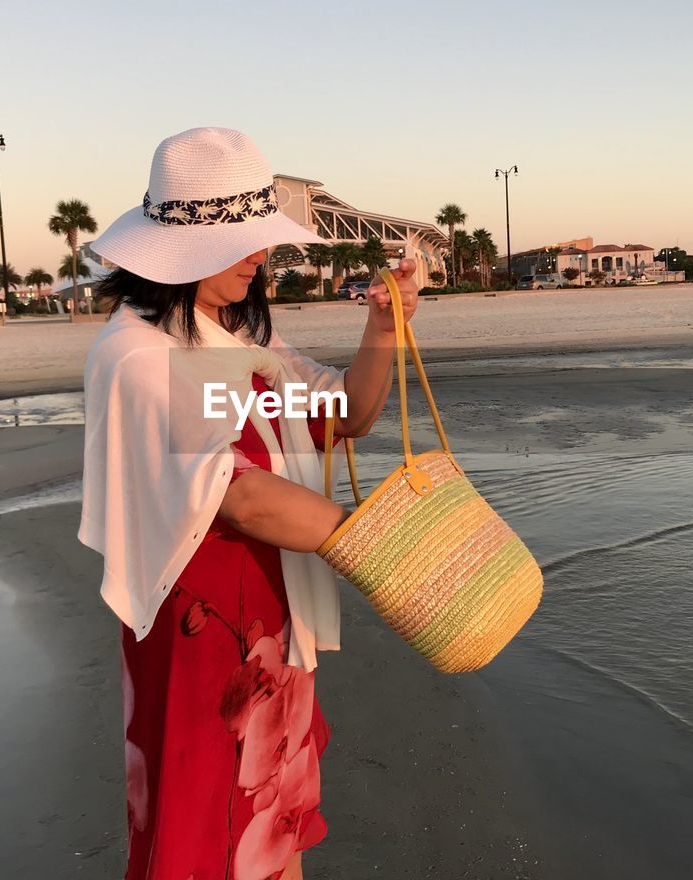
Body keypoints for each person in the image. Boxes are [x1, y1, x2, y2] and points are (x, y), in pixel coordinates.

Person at [78, 127, 418, 880]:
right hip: (203, 645)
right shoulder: (137, 355)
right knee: (208, 845)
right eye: (243, 238)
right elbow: (241, 497)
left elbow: (346, 415)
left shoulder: (236, 343)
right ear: (186, 248)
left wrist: (383, 326)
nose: (262, 254)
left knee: (271, 832)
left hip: (268, 630)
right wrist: (386, 546)